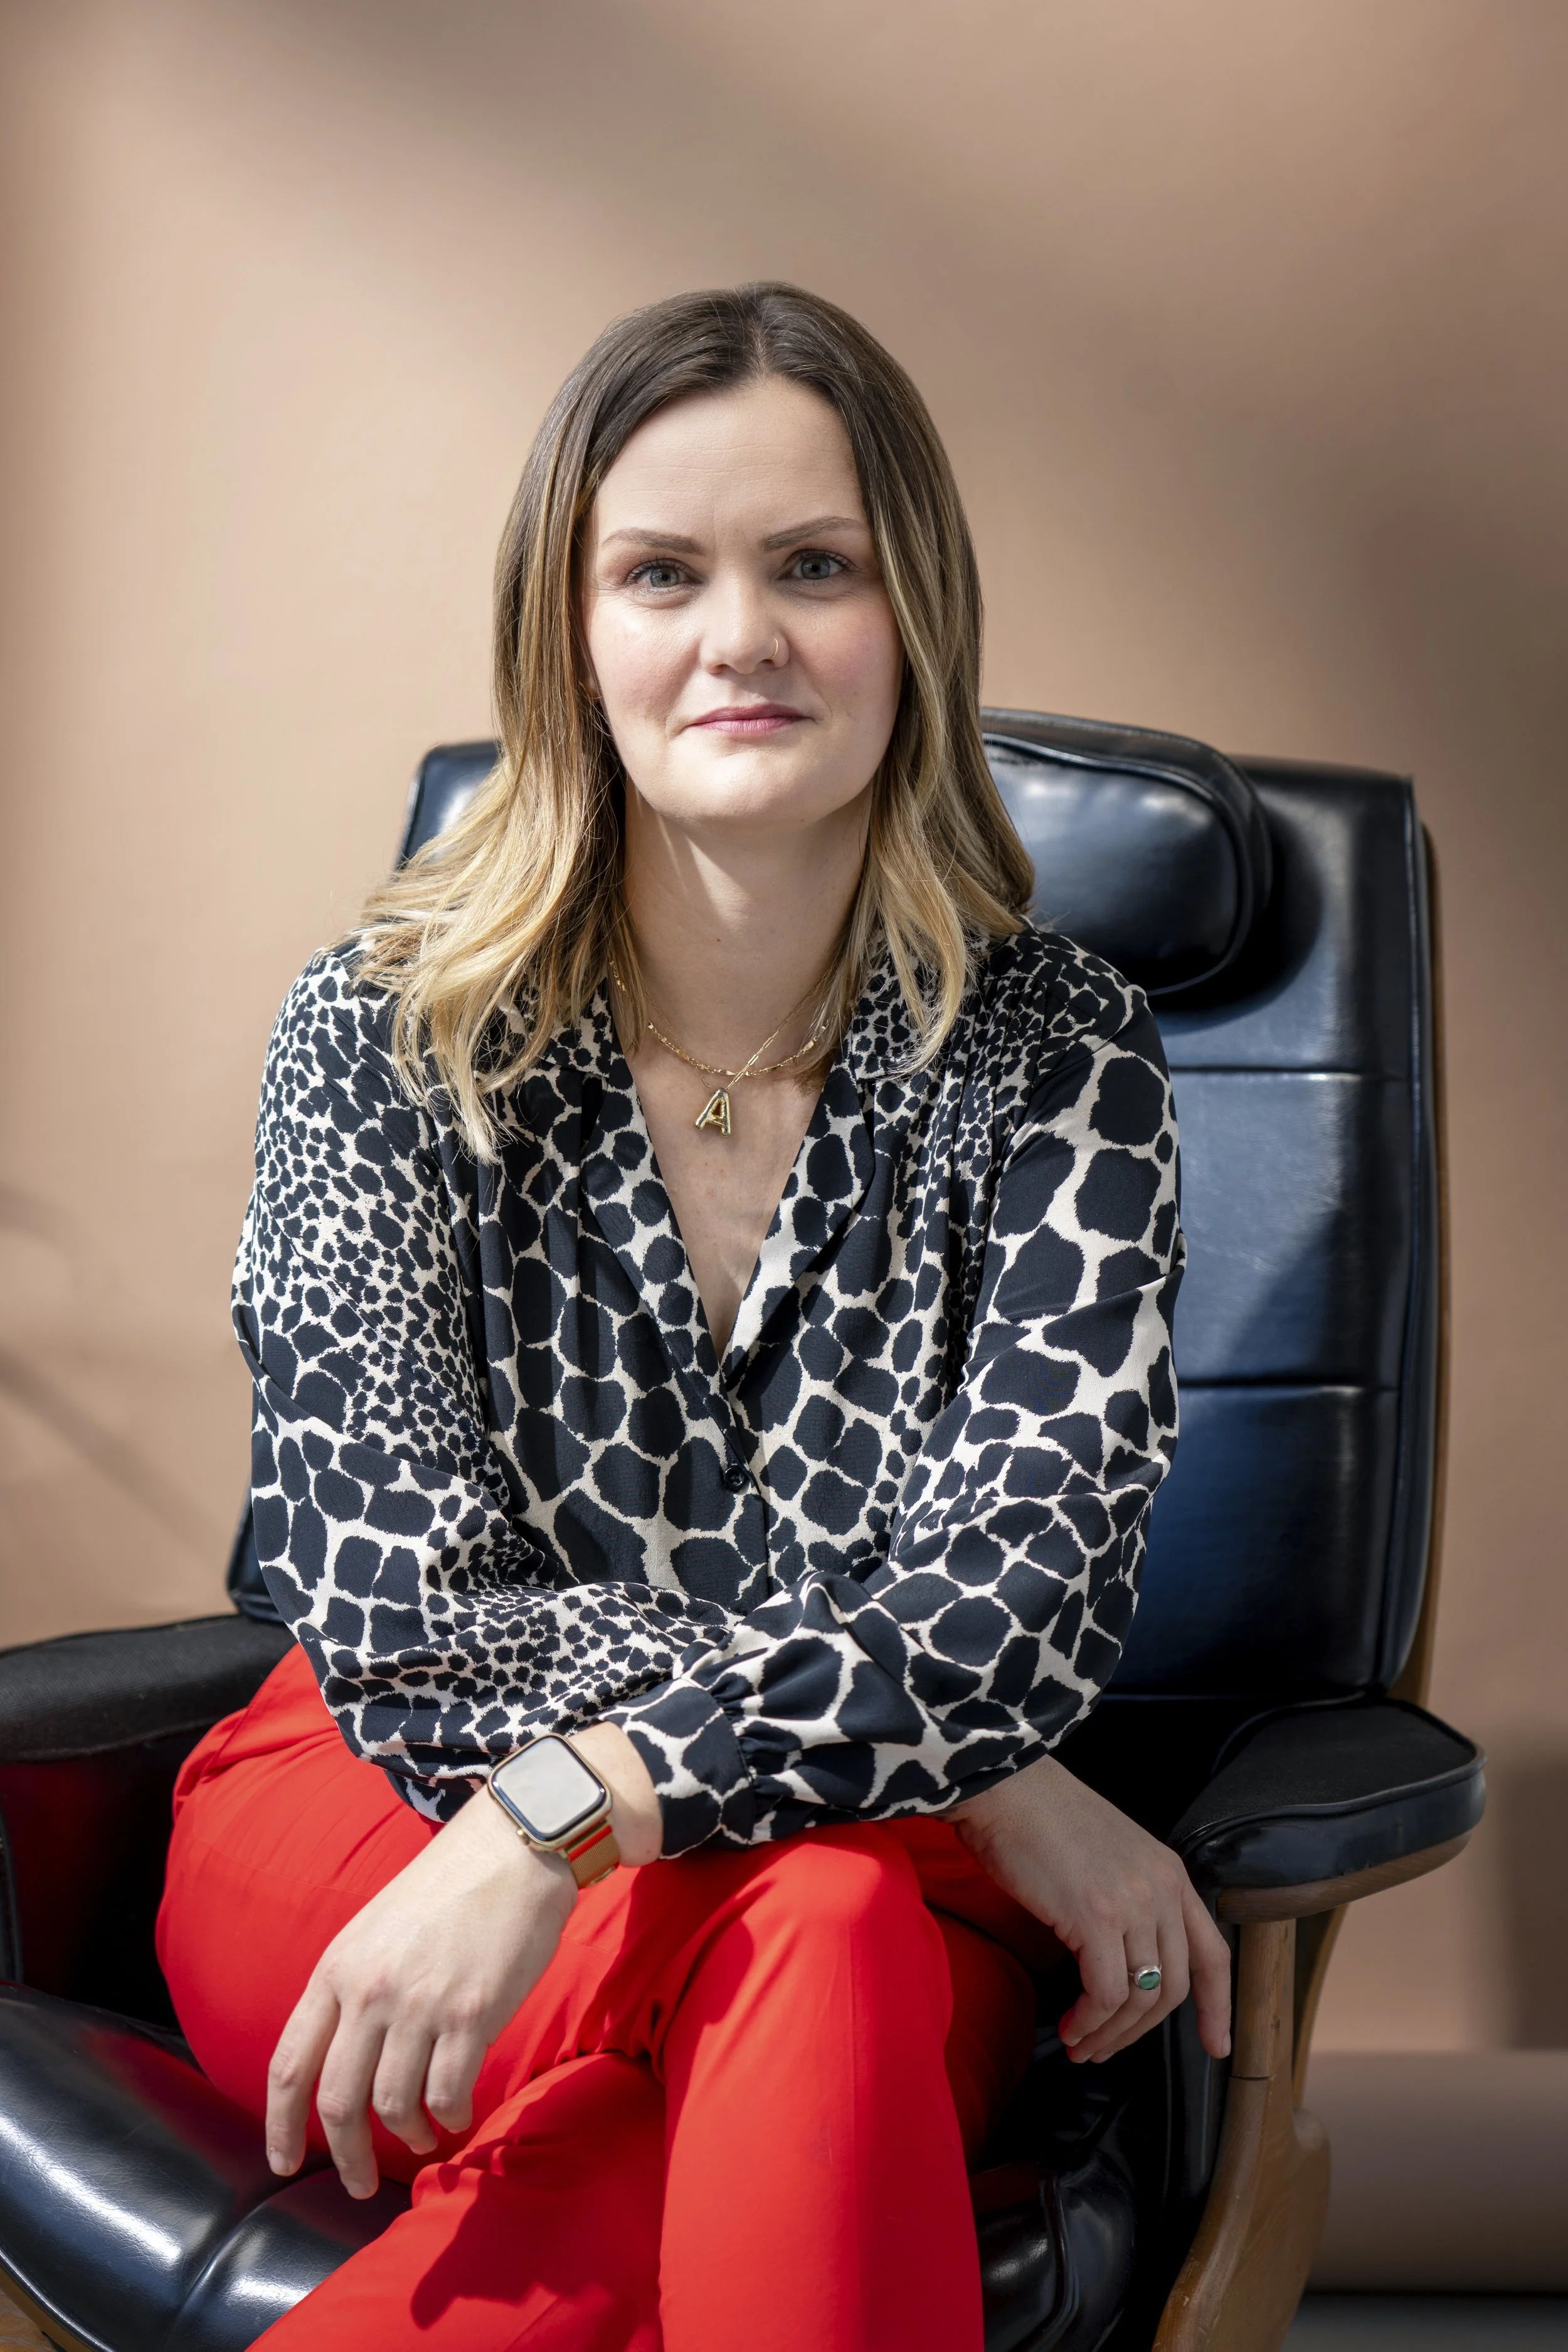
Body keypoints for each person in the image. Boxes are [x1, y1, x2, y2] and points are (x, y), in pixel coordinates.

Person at [156, 282, 1231, 2352]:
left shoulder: (1064, 1058)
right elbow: (415, 1618)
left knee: (810, 1943)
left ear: (909, 616)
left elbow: (1012, 1612)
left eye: (811, 567)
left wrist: (577, 1809)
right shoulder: (383, 1034)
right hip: (384, 1813)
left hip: (829, 1877)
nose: (737, 636)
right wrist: (986, 1776)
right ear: (573, 635)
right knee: (820, 1924)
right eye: (660, 572)